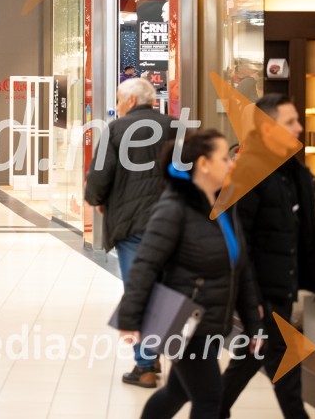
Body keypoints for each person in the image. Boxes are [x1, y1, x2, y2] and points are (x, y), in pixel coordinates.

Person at [117, 129, 263, 419]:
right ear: (203, 164)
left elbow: (240, 268)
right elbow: (145, 264)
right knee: (210, 398)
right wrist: (129, 319)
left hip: (208, 322)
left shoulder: (223, 207)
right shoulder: (174, 208)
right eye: (224, 158)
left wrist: (253, 323)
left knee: (178, 391)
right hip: (182, 321)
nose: (231, 163)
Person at [219, 94, 315, 419]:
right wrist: (251, 299)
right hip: (263, 291)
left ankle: (211, 410)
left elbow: (302, 236)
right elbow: (238, 240)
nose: (299, 127)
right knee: (281, 359)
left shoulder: (293, 174)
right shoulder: (250, 173)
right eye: (289, 121)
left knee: (254, 358)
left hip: (280, 286)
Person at [84, 78, 175, 387]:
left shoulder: (117, 129)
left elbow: (100, 173)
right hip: (170, 222)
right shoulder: (175, 127)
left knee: (138, 288)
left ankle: (146, 364)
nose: (118, 106)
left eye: (120, 100)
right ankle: (156, 351)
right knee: (163, 288)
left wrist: (96, 200)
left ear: (132, 102)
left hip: (131, 222)